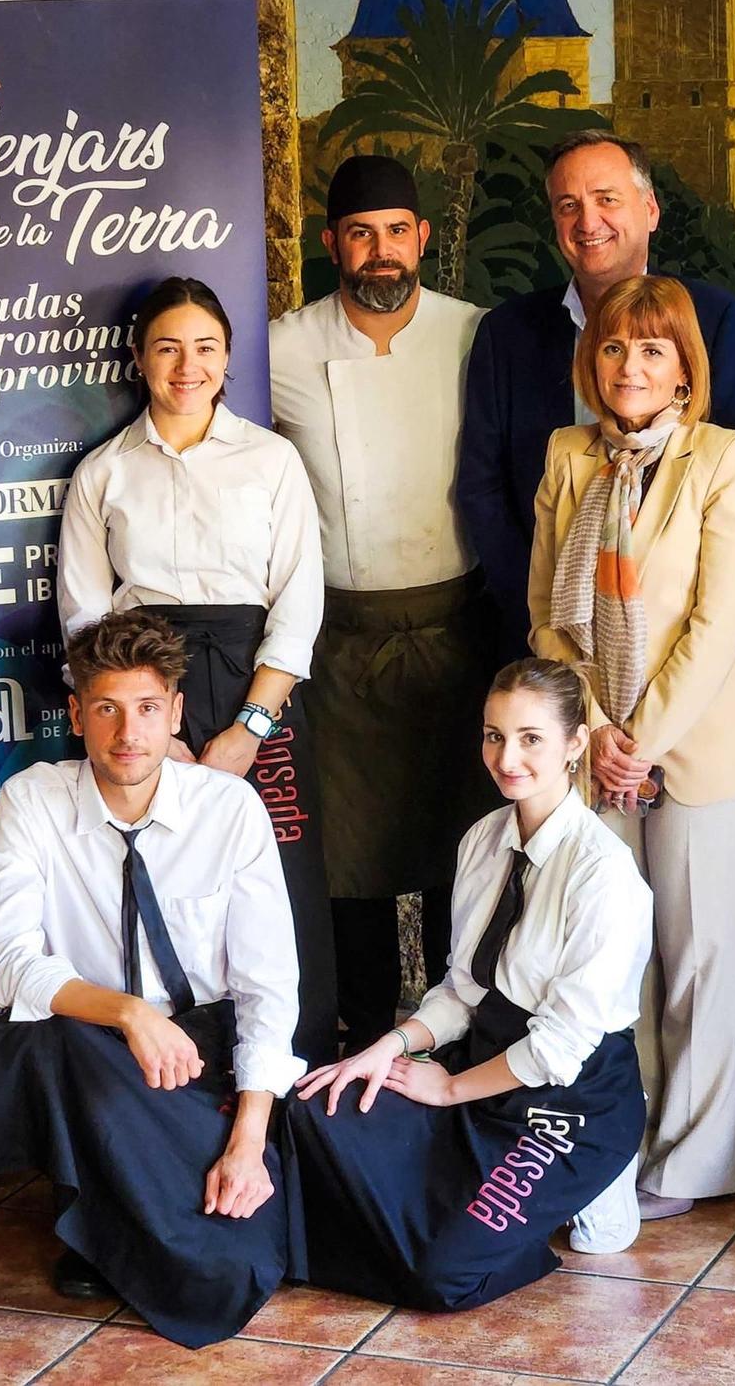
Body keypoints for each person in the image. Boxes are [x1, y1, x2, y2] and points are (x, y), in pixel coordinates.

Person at [0, 611, 303, 1348]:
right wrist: (130, 1012)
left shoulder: (228, 809)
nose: (127, 733)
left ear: (174, 711)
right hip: (97, 1044)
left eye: (145, 709)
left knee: (237, 1263)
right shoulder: (33, 801)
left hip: (203, 1050)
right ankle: (96, 1218)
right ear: (76, 715)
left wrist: (247, 1139)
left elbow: (269, 985)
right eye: (105, 709)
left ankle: (134, 1207)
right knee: (54, 1041)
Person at [286, 658, 650, 1308]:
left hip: (567, 1099)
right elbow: (459, 994)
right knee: (315, 1114)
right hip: (480, 1063)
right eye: (493, 735)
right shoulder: (482, 839)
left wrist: (449, 1088)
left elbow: (556, 1051)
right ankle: (453, 1190)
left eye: (530, 738)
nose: (507, 757)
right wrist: (386, 1049)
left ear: (574, 745)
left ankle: (589, 1181)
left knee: (443, 1275)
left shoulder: (605, 876)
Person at [530, 274, 735, 1220]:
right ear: (593, 359)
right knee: (615, 959)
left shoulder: (725, 457)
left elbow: (719, 621)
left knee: (700, 957)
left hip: (702, 749)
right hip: (593, 748)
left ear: (685, 370)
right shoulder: (567, 454)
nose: (631, 365)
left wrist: (644, 739)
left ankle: (695, 1159)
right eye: (614, 347)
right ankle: (617, 1143)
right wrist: (595, 730)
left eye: (654, 349)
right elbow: (547, 613)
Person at [58, 276, 335, 1066]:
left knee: (278, 885)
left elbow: (299, 603)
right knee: (168, 882)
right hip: (143, 699)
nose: (188, 366)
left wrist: (249, 730)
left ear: (229, 357)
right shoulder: (103, 472)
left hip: (258, 691)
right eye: (168, 348)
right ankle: (184, 1074)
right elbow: (85, 618)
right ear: (139, 360)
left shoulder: (272, 460)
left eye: (206, 348)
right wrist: (150, 728)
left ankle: (292, 1078)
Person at [269, 154, 496, 1048]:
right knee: (346, 863)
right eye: (361, 234)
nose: (380, 252)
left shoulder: (474, 333)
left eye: (397, 231)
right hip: (341, 642)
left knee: (462, 855)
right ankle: (358, 1036)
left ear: (423, 239)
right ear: (332, 245)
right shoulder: (283, 345)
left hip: (455, 633)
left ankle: (454, 1037)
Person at [458, 129, 735, 649]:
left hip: (677, 635)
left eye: (607, 200)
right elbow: (482, 489)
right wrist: (539, 618)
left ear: (650, 211)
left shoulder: (714, 320)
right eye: (568, 205)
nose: (587, 222)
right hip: (543, 632)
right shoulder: (506, 334)